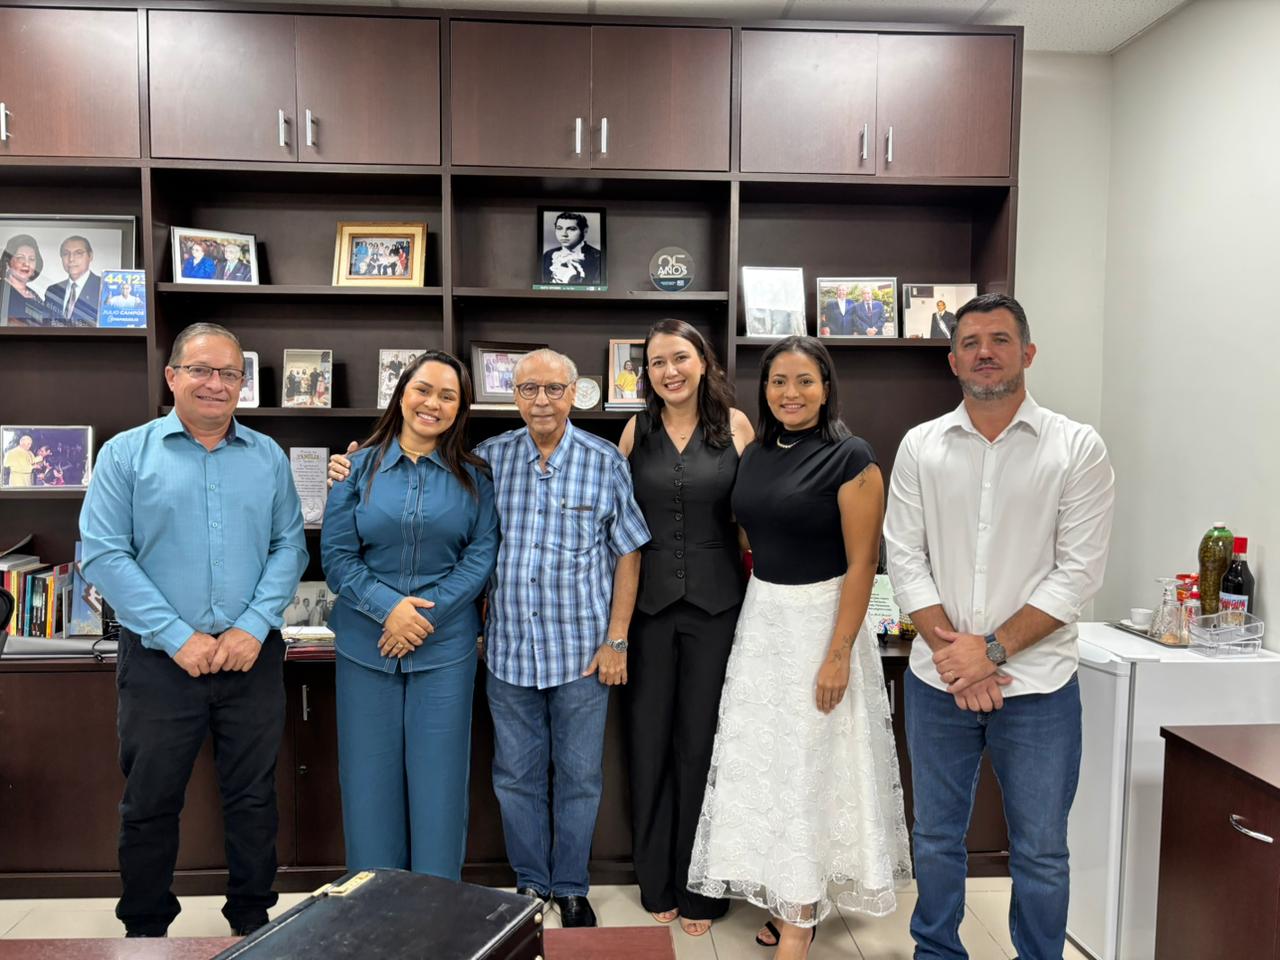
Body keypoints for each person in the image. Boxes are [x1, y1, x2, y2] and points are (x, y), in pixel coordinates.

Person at [327, 348, 649, 926]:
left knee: (567, 778)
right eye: (528, 389)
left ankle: (552, 890)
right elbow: (339, 554)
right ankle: (495, 889)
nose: (542, 400)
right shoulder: (483, 460)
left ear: (574, 393)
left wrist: (617, 639)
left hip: (570, 649)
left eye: (554, 389)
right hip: (498, 649)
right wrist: (388, 608)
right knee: (500, 778)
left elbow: (491, 555)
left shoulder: (574, 463)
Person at [883, 293, 1115, 960]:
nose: (985, 352)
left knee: (1040, 849)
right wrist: (959, 658)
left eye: (1000, 340)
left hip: (1038, 687)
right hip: (939, 683)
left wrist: (989, 651)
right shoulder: (921, 447)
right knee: (935, 838)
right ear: (953, 360)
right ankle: (936, 952)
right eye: (971, 342)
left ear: (1028, 353)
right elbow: (905, 558)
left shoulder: (1077, 447)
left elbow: (1078, 574)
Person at [79, 321, 308, 938]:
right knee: (150, 800)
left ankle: (253, 922)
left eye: (229, 373)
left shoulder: (267, 457)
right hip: (159, 661)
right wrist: (177, 636)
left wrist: (253, 627)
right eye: (201, 370)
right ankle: (145, 928)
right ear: (172, 376)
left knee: (254, 797)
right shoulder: (126, 454)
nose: (215, 384)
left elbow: (289, 547)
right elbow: (103, 553)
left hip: (250, 656)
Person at [687, 335, 911, 960]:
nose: (791, 393)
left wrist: (838, 653)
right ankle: (785, 891)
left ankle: (800, 916)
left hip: (822, 621)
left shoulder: (851, 456)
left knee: (813, 765)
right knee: (766, 763)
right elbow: (749, 532)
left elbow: (864, 563)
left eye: (804, 380)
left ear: (826, 387)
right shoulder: (757, 452)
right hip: (764, 620)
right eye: (778, 381)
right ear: (764, 390)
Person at [321, 350, 499, 880]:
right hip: (365, 646)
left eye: (448, 396)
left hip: (445, 650)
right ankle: (375, 907)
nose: (432, 403)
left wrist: (421, 618)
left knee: (440, 787)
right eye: (423, 389)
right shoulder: (354, 470)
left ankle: (436, 910)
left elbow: (480, 558)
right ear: (401, 394)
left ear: (460, 409)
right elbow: (337, 558)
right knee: (368, 784)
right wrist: (389, 610)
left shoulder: (476, 478)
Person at [616, 319, 754, 938]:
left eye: (679, 358)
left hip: (719, 610)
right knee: (647, 745)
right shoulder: (635, 430)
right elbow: (614, 521)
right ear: (646, 374)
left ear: (702, 362)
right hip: (647, 613)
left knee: (702, 748)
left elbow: (756, 517)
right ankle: (656, 881)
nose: (668, 371)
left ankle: (700, 887)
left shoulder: (736, 427)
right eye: (656, 363)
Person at [42, 235, 101, 326]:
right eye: (66, 254)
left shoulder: (103, 287)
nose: (71, 259)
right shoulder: (53, 290)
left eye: (78, 253)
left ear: (90, 256)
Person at [541, 212, 603, 285]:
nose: (564, 234)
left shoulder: (598, 257)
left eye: (571, 229)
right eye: (559, 228)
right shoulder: (548, 255)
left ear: (584, 231)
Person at [2, 234, 51, 325]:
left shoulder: (34, 296)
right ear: (8, 261)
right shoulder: (3, 290)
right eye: (20, 258)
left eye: (31, 259)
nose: (26, 263)